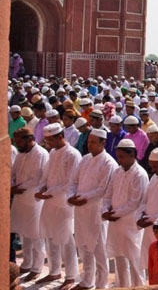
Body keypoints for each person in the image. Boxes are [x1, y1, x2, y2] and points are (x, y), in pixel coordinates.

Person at [68, 128, 118, 290]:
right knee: (83, 246)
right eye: (89, 142)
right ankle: (86, 281)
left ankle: (101, 285)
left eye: (93, 142)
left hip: (97, 212)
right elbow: (73, 181)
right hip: (81, 210)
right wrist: (72, 196)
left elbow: (102, 189)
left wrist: (81, 198)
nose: (90, 145)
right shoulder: (85, 159)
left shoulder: (109, 163)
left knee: (99, 250)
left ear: (103, 143)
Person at [35, 123, 82, 287]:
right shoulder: (53, 153)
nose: (47, 144)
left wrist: (48, 192)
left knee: (66, 239)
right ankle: (54, 271)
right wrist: (41, 188)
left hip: (64, 204)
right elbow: (45, 175)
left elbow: (71, 183)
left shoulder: (73, 154)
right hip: (49, 202)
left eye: (49, 140)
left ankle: (70, 276)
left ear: (59, 136)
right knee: (50, 237)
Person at [102, 139, 149, 287]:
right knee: (119, 259)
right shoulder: (117, 171)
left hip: (130, 223)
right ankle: (122, 287)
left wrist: (114, 214)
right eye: (118, 156)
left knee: (135, 261)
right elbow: (108, 194)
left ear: (132, 155)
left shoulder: (140, 174)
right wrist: (105, 209)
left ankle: (138, 287)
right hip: (116, 223)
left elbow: (134, 203)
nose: (119, 160)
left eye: (122, 156)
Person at [10, 126, 49, 282]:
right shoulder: (21, 154)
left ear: (29, 139)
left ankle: (37, 267)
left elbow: (37, 179)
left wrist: (18, 187)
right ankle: (26, 263)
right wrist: (12, 185)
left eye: (20, 141)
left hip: (34, 199)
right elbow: (13, 172)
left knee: (35, 234)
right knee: (23, 232)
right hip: (20, 199)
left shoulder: (41, 154)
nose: (17, 144)